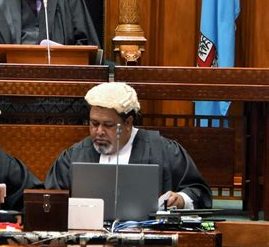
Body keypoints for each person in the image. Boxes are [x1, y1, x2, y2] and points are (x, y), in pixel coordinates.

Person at [45, 82, 212, 209]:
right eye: (94, 124)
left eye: (108, 125)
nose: (99, 131)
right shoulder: (75, 156)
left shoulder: (163, 151)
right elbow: (51, 199)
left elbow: (198, 191)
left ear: (128, 123)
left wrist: (181, 199)